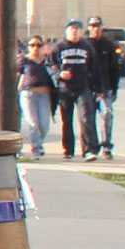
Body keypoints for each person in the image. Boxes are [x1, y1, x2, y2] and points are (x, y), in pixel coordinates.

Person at [53, 20, 93, 160]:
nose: (75, 32)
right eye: (72, 29)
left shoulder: (87, 47)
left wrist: (98, 88)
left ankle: (88, 150)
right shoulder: (59, 47)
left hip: (82, 87)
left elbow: (94, 68)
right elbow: (50, 66)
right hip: (65, 89)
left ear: (81, 32)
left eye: (77, 29)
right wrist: (59, 75)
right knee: (67, 120)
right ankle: (68, 150)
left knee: (86, 118)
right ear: (67, 31)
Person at [88, 29, 123, 161]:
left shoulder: (108, 45)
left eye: (97, 26)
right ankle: (92, 147)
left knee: (107, 115)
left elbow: (115, 68)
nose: (95, 29)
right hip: (88, 88)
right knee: (88, 119)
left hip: (105, 88)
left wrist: (114, 88)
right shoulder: (85, 44)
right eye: (92, 25)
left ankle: (106, 146)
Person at [21, 39, 56, 158]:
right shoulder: (24, 60)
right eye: (32, 45)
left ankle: (40, 144)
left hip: (44, 94)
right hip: (28, 95)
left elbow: (54, 74)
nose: (35, 47)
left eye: (38, 45)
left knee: (44, 125)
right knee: (33, 123)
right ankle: (35, 149)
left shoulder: (47, 60)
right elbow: (18, 76)